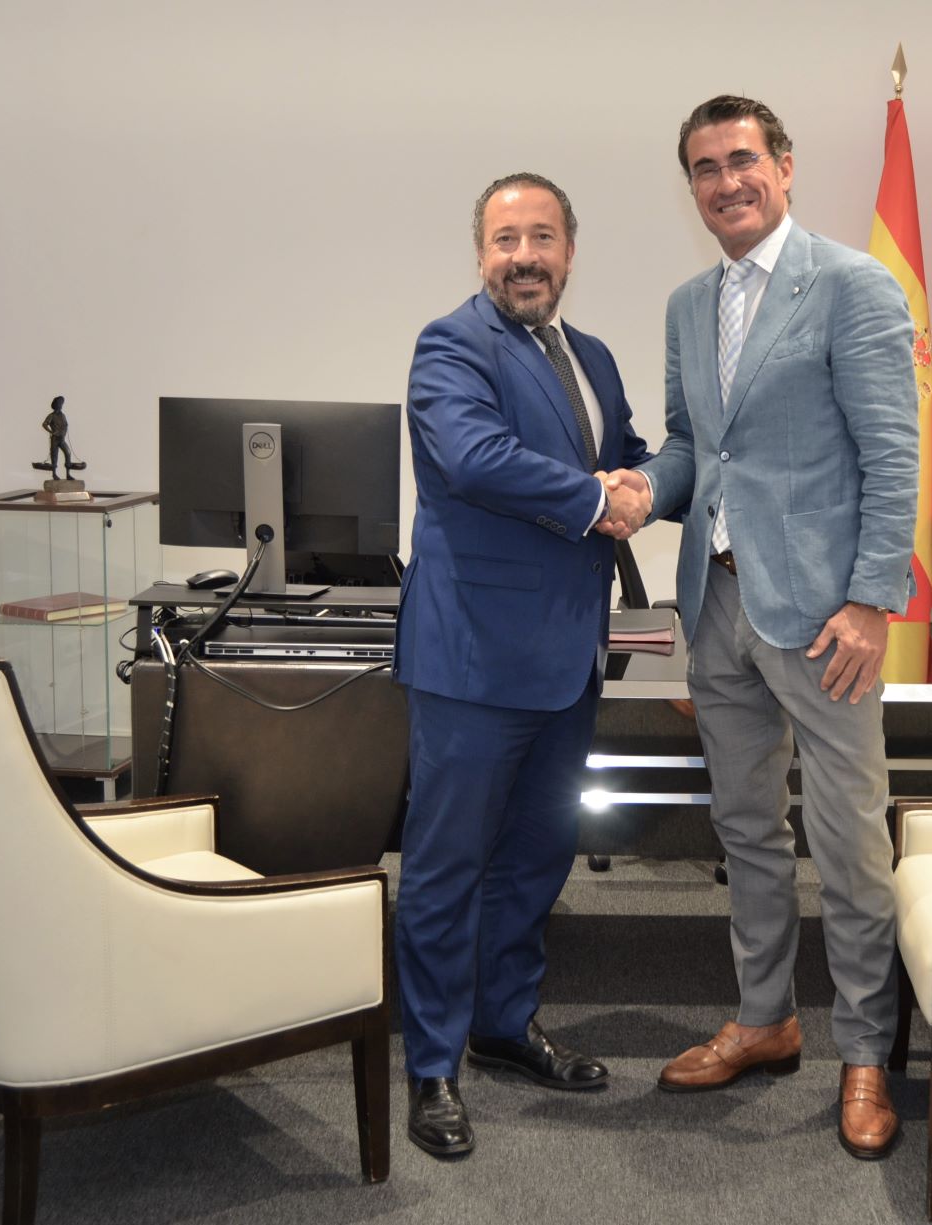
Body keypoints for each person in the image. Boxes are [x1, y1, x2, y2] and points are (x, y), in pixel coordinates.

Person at [605, 96, 917, 1158]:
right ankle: (765, 1017)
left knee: (849, 842)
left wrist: (871, 600)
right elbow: (694, 448)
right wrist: (643, 491)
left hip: (826, 619)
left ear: (783, 166)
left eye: (742, 159)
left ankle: (864, 1051)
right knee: (744, 827)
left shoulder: (850, 284)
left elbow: (891, 454)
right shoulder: (688, 305)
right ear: (690, 186)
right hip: (717, 603)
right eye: (704, 167)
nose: (725, 181)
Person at [392, 172, 651, 1158]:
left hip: (567, 659)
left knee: (537, 857)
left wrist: (653, 482)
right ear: (480, 254)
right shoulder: (450, 346)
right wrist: (598, 499)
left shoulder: (591, 356)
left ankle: (501, 1023)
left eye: (541, 237)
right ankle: (431, 1064)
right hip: (471, 659)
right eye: (505, 240)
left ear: (569, 252)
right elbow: (474, 457)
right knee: (447, 867)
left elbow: (630, 455)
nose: (524, 257)